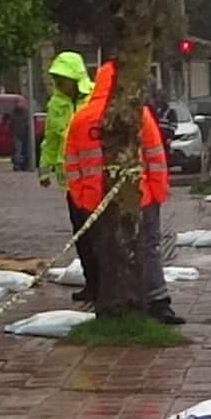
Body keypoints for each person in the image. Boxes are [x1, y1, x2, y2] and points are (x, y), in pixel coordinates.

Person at [60, 56, 175, 320]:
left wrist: (82, 198)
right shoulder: (137, 114)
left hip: (96, 202)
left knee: (106, 250)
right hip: (141, 196)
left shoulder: (81, 119)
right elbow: (155, 154)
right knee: (149, 247)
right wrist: (157, 191)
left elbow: (72, 164)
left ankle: (112, 302)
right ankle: (157, 302)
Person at [37, 50, 89, 188]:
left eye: (62, 78)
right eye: (55, 77)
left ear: (74, 78)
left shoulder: (95, 97)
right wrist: (44, 170)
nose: (58, 82)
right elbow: (51, 140)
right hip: (68, 176)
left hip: (93, 171)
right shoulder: (55, 104)